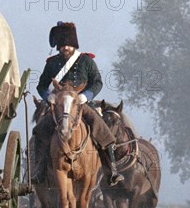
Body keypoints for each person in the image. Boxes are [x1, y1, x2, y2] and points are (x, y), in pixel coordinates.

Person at [32, 22, 124, 186]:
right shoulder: (52, 63)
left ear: (73, 44)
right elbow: (41, 85)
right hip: (58, 105)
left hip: (80, 103)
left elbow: (97, 82)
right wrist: (48, 98)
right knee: (39, 130)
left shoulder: (86, 61)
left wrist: (85, 96)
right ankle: (39, 169)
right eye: (62, 45)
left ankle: (112, 171)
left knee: (102, 129)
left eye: (68, 44)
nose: (65, 48)